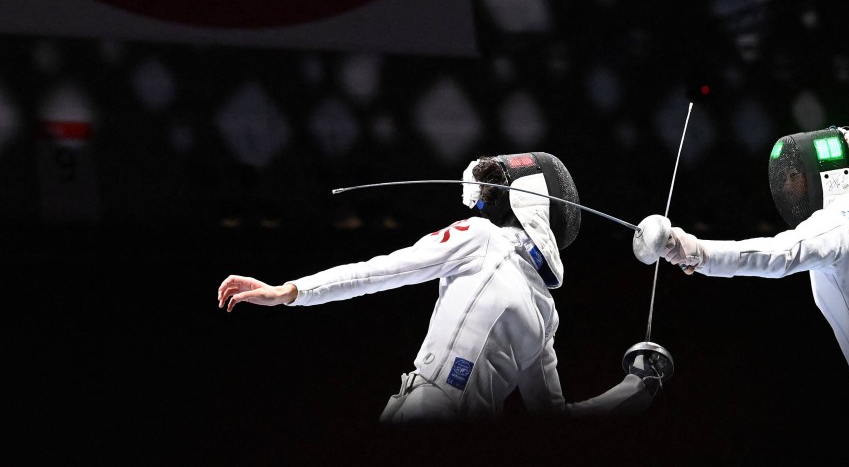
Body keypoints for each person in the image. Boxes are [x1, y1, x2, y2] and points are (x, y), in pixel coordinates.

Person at [218, 151, 663, 423]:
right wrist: (292, 291)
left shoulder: (488, 244)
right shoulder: (543, 309)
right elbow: (383, 271)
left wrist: (638, 386)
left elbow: (381, 271)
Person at [645, 126, 849, 407]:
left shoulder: (837, 222)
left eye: (796, 176)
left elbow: (777, 254)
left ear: (826, 177)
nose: (789, 186)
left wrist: (697, 251)